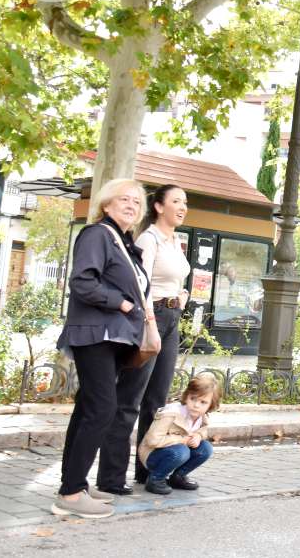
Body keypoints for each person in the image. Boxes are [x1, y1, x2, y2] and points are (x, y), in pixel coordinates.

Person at [51, 179, 153, 519]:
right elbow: (82, 282)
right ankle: (70, 494)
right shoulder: (97, 234)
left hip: (110, 338)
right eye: (123, 199)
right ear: (106, 205)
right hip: (95, 334)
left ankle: (74, 484)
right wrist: (122, 304)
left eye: (136, 202)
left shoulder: (122, 241)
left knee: (87, 410)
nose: (131, 205)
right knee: (102, 410)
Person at [128, 184, 192, 486]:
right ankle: (116, 474)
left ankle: (149, 469)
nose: (182, 207)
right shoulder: (149, 238)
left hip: (171, 318)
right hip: (150, 318)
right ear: (158, 206)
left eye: (185, 202)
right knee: (135, 396)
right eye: (176, 201)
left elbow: (173, 278)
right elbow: (140, 285)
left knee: (158, 400)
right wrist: (151, 323)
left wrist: (182, 294)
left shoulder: (175, 239)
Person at [138, 372, 219, 494]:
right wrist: (182, 440)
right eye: (193, 398)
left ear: (211, 405)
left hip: (175, 451)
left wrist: (198, 436)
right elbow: (152, 440)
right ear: (186, 396)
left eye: (203, 402)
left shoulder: (201, 415)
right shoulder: (171, 413)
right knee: (182, 451)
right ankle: (155, 479)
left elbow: (203, 429)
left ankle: (178, 478)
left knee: (206, 448)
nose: (196, 405)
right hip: (152, 455)